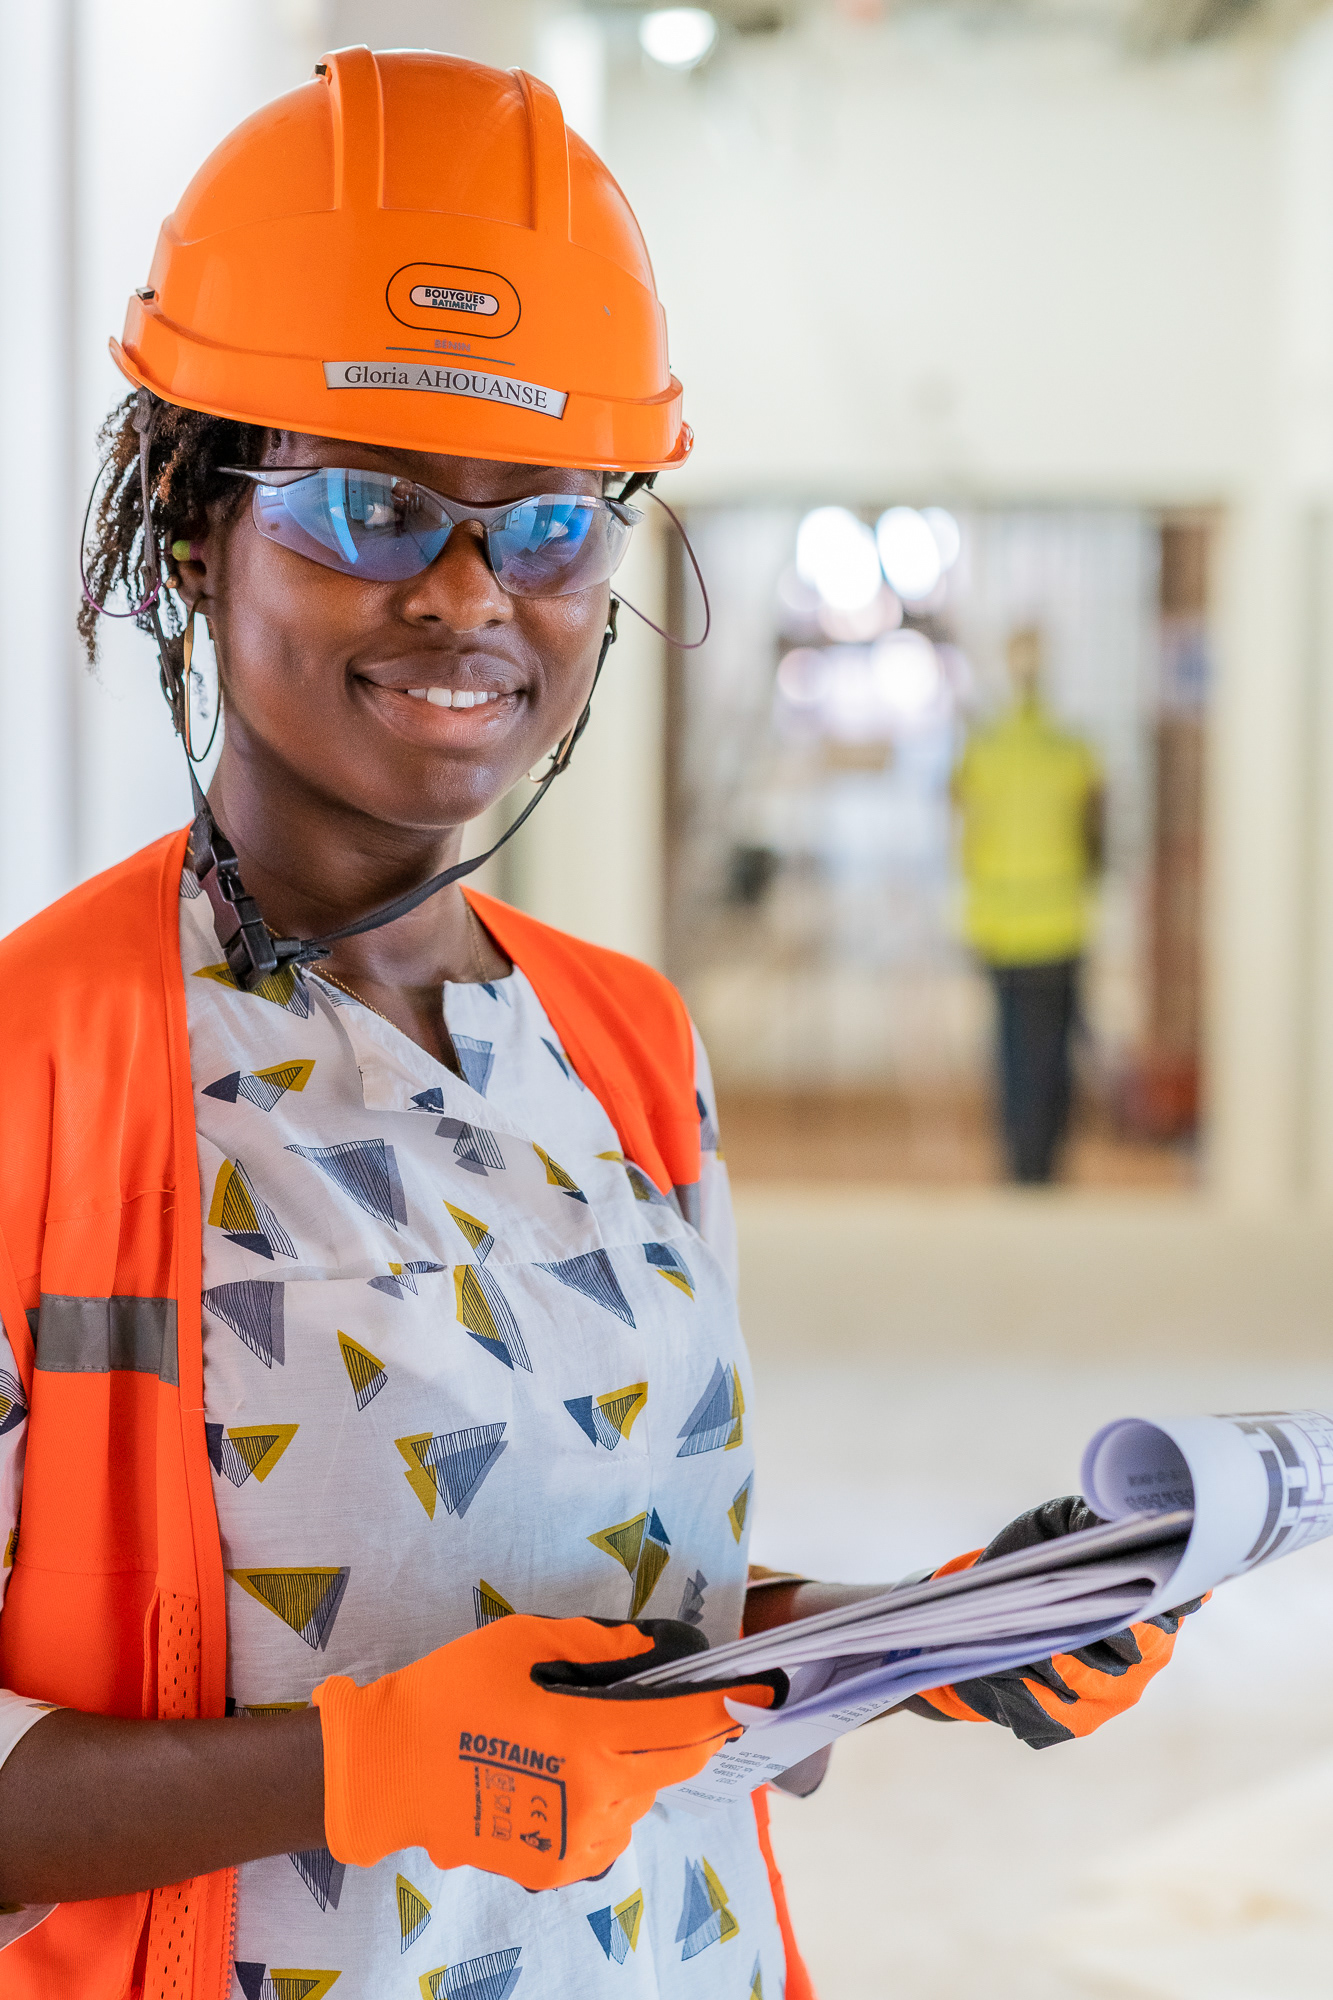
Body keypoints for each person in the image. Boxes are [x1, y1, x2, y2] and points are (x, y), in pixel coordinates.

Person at [0, 51, 1193, 1999]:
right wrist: (359, 1769)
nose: (471, 595)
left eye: (549, 525)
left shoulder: (623, 1044)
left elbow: (604, 1620)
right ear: (194, 529)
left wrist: (912, 1638)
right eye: (374, 506)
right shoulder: (39, 1066)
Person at [952, 626, 1105, 1184]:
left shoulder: (982, 750)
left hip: (1000, 925)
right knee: (1055, 1053)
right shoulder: (1075, 750)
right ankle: (1047, 1164)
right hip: (1061, 924)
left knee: (1012, 1052)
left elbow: (966, 835)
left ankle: (1020, 1164)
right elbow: (1095, 839)